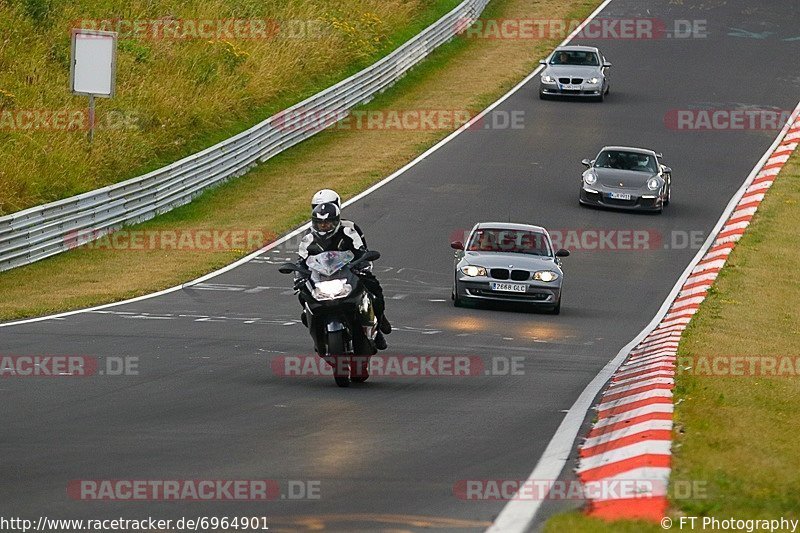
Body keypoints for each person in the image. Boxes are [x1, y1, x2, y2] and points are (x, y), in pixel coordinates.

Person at [296, 202, 391, 350]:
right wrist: (299, 277)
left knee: (374, 290)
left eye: (327, 223)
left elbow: (361, 252)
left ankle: (378, 326)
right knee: (303, 297)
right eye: (320, 223)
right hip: (322, 278)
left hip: (349, 274)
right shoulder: (307, 239)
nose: (323, 226)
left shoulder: (348, 232)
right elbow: (301, 261)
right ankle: (318, 336)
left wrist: (363, 265)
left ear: (335, 221)